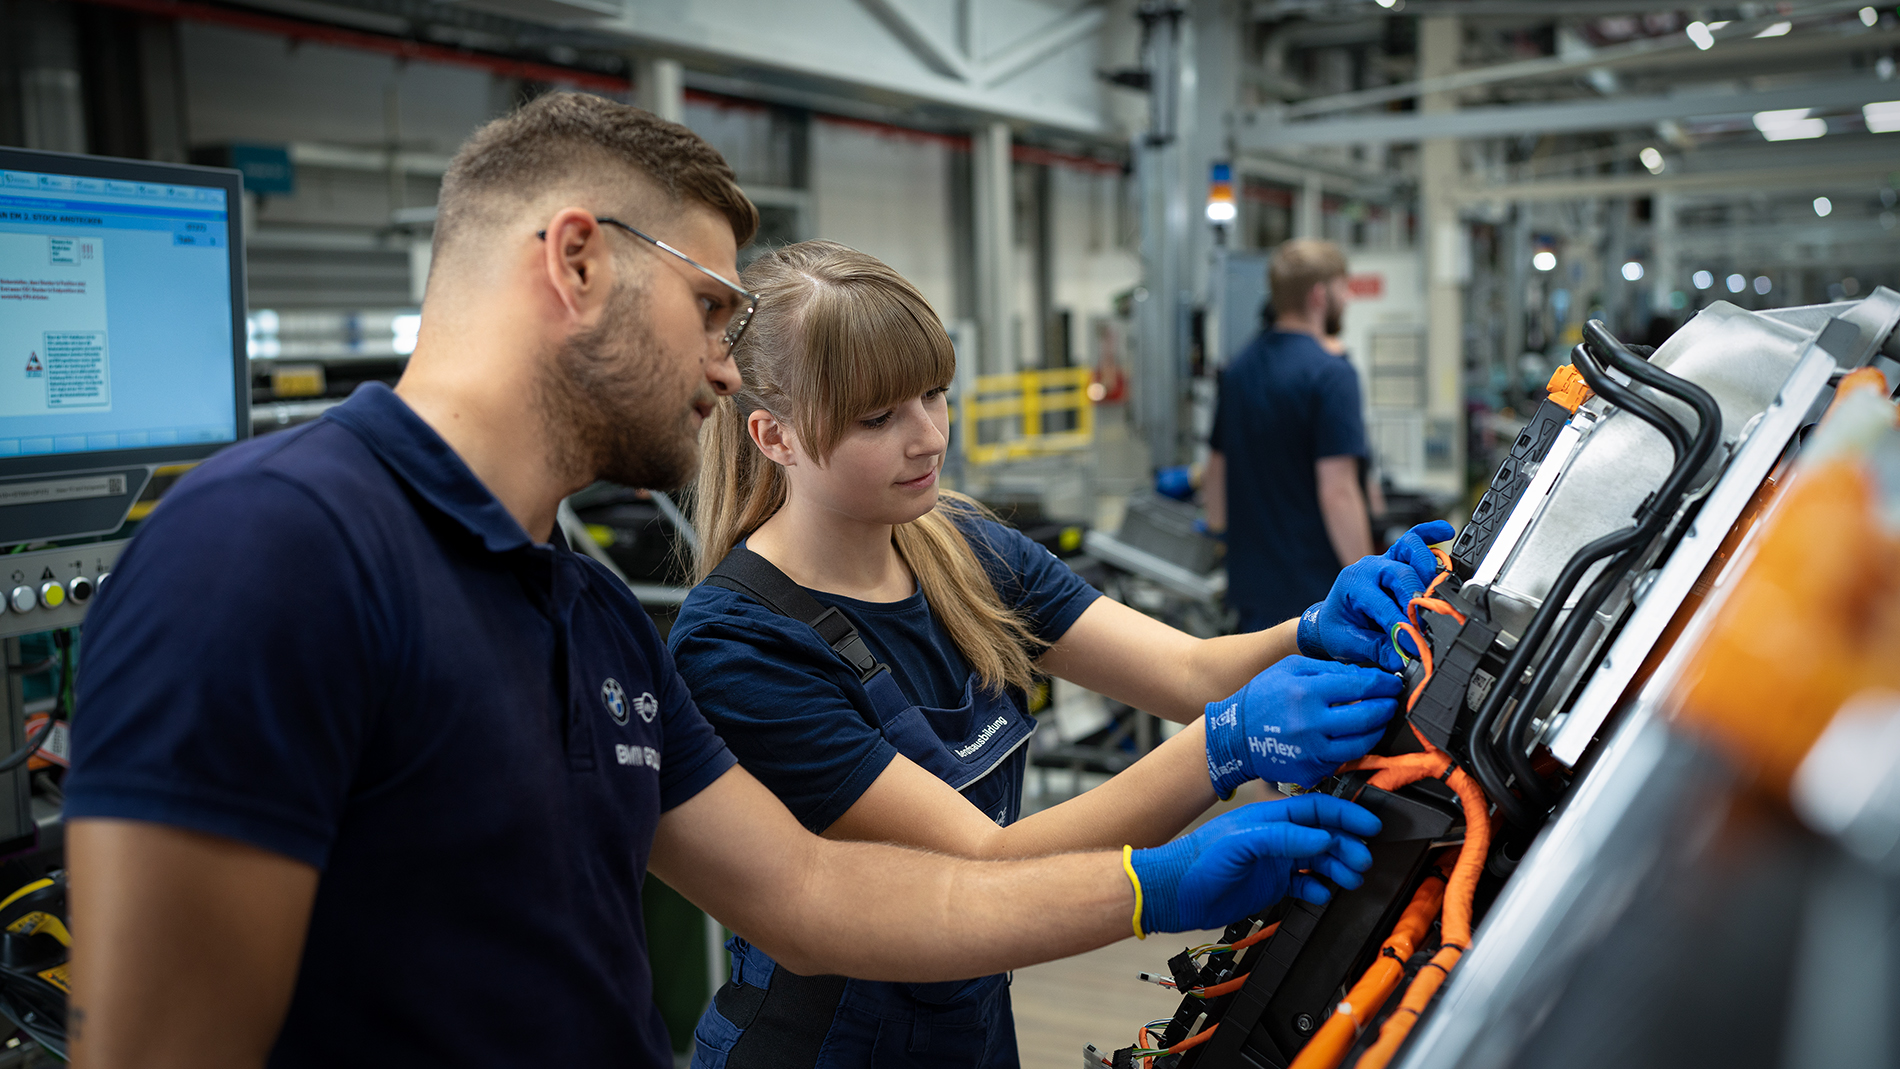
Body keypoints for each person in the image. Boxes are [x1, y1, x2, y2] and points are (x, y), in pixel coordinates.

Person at [58, 94, 1390, 1069]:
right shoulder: (278, 547)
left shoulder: (578, 612)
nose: (724, 367)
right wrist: (1196, 785)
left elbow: (815, 899)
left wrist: (1155, 885)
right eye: (710, 309)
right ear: (576, 259)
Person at [672, 241, 1455, 1067]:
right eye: (879, 418)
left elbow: (1188, 671)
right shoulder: (742, 643)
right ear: (774, 436)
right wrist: (1221, 747)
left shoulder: (963, 549)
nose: (928, 435)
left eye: (935, 394)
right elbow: (981, 865)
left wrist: (1305, 628)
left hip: (972, 1026)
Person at [1206, 239, 1419, 633]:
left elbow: (1215, 480)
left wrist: (1223, 533)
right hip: (1315, 599)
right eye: (1343, 289)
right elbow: (1337, 491)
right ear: (1320, 295)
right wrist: (1365, 584)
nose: (1348, 300)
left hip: (1251, 594)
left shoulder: (1238, 369)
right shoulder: (1330, 373)